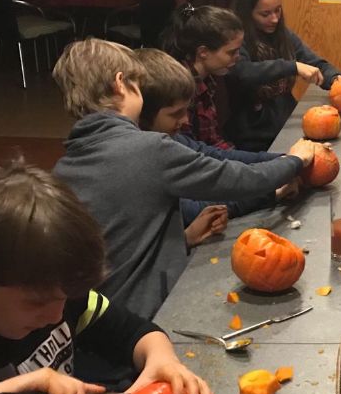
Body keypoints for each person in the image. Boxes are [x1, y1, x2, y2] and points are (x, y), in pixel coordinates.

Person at [0, 160, 218, 394]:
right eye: (37, 302)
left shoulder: (62, 303)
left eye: (63, 299)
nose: (56, 315)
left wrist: (162, 360)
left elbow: (133, 332)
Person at [51, 38, 320, 321]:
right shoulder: (148, 149)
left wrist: (183, 240)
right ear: (121, 84)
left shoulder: (63, 170)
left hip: (101, 321)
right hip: (150, 316)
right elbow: (235, 180)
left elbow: (122, 244)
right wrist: (295, 161)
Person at [134, 48, 299, 227]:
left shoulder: (170, 138)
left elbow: (215, 155)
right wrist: (271, 192)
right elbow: (194, 210)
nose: (185, 120)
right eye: (176, 113)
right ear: (143, 113)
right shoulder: (146, 158)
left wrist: (286, 159)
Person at [227, 0, 341, 151]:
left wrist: (337, 80)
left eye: (278, 11)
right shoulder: (235, 40)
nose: (274, 19)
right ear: (247, 14)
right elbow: (242, 72)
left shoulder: (283, 35)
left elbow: (314, 63)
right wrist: (291, 66)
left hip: (287, 127)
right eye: (265, 14)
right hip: (254, 139)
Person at [161, 3, 245, 150]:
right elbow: (193, 151)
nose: (238, 57)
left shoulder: (206, 80)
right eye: (232, 52)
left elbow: (212, 141)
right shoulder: (181, 87)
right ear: (203, 52)